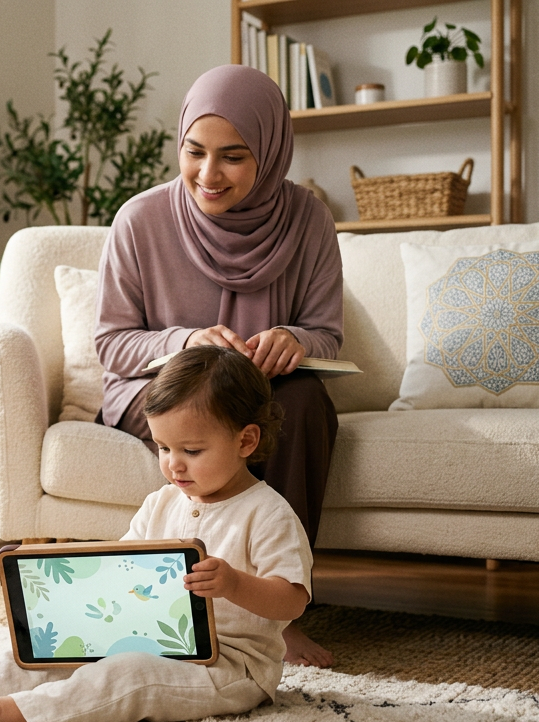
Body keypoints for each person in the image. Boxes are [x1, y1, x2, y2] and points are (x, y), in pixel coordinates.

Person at [0, 346, 312, 722]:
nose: (174, 465)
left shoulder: (268, 513)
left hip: (230, 667)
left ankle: (8, 715)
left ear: (245, 440)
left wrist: (234, 584)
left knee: (126, 675)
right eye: (163, 448)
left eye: (191, 451)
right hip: (151, 637)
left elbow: (292, 599)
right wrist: (54, 586)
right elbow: (121, 570)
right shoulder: (160, 503)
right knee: (51, 649)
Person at [94, 64, 341, 667]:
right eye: (194, 152)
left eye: (233, 156)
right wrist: (184, 343)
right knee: (197, 418)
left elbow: (328, 335)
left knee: (304, 402)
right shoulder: (140, 219)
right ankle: (170, 607)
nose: (208, 174)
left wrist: (293, 339)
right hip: (160, 392)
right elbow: (111, 343)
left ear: (270, 152)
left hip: (259, 391)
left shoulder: (308, 219)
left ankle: (277, 611)